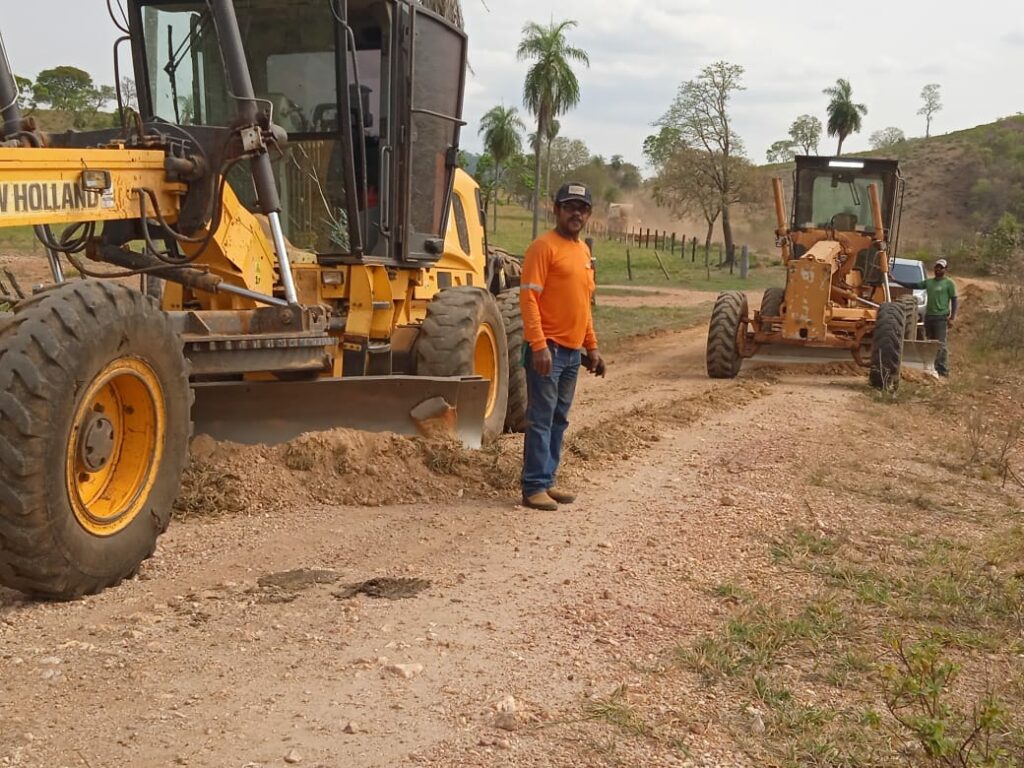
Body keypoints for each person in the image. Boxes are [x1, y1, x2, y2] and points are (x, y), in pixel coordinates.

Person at [519, 182, 605, 511]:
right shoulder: (543, 247)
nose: (576, 213)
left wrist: (592, 347)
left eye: (582, 208)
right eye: (569, 206)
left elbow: (583, 304)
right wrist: (538, 344)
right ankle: (533, 487)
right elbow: (528, 298)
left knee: (558, 418)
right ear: (556, 209)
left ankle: (547, 479)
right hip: (548, 351)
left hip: (571, 353)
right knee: (541, 418)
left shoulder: (583, 252)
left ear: (589, 215)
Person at [893, 257, 959, 377]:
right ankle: (931, 367)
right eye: (936, 267)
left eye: (941, 268)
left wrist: (952, 317)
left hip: (941, 317)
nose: (938, 270)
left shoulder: (949, 283)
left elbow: (954, 300)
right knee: (929, 343)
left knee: (940, 344)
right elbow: (913, 285)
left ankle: (943, 370)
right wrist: (897, 281)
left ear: (945, 269)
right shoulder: (929, 282)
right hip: (929, 317)